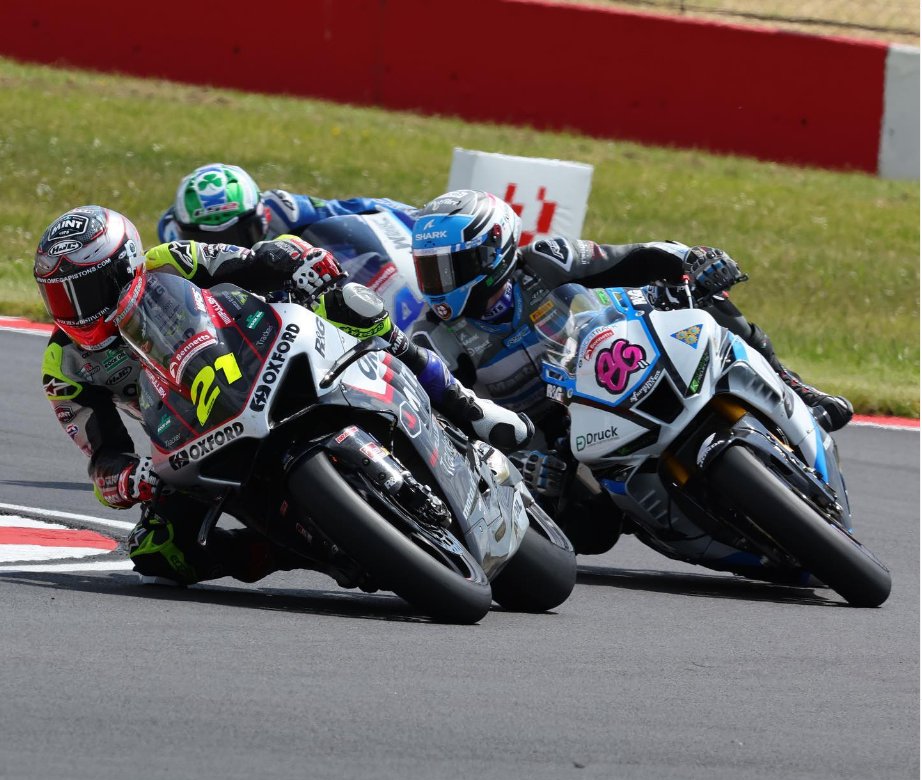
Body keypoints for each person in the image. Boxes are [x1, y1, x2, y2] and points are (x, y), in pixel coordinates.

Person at [34, 205, 531, 586]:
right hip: (192, 433)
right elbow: (102, 454)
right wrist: (126, 478)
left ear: (123, 268)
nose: (72, 312)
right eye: (58, 297)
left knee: (352, 306)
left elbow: (252, 263)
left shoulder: (172, 261)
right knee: (159, 551)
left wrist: (297, 261)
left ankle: (467, 405)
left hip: (259, 355)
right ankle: (298, 552)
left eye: (83, 291)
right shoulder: (65, 364)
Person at [406, 189, 854, 550]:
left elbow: (636, 257)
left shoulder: (547, 260)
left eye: (450, 266)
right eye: (428, 269)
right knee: (586, 529)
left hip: (628, 349)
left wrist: (694, 261)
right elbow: (448, 423)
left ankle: (796, 386)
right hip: (557, 429)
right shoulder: (437, 338)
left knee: (704, 296)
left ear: (492, 252)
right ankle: (653, 515)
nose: (437, 284)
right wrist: (514, 464)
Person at [157, 162, 416, 246]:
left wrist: (416, 216)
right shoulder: (169, 238)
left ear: (262, 215)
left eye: (237, 237)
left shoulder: (283, 209)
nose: (223, 252)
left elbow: (354, 207)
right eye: (207, 243)